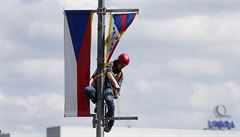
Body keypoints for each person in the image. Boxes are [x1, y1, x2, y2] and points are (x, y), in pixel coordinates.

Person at [84, 53, 130, 132]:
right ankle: (98, 104)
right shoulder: (109, 64)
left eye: (124, 66)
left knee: (109, 99)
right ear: (119, 61)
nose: (123, 67)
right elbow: (109, 73)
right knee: (88, 90)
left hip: (108, 89)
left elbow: (119, 87)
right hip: (97, 86)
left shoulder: (120, 74)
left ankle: (111, 119)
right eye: (122, 64)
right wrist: (115, 83)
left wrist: (117, 93)